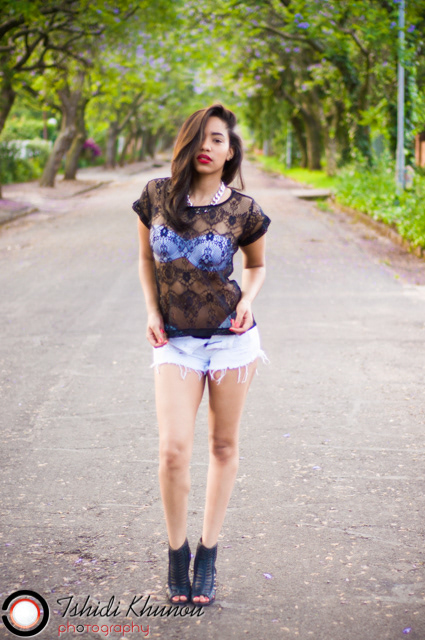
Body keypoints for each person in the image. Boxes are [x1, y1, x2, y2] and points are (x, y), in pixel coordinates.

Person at [132, 104, 271, 606]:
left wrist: (248, 301)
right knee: (173, 449)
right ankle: (177, 550)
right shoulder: (155, 196)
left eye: (218, 139)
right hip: (175, 340)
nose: (207, 147)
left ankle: (208, 550)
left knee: (223, 446)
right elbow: (145, 258)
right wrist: (152, 310)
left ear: (230, 151)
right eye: (200, 138)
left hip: (232, 339)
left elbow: (255, 266)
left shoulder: (245, 209)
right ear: (186, 145)